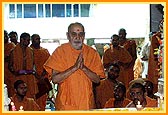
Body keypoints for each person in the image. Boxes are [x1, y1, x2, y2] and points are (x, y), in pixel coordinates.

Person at [43, 22, 106, 110]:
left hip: (86, 103)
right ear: (68, 36)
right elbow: (55, 79)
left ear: (84, 36)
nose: (77, 37)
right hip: (65, 105)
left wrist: (84, 68)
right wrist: (74, 68)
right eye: (74, 34)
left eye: (81, 34)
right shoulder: (60, 51)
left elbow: (97, 80)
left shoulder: (92, 53)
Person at [8, 32, 38, 99]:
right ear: (22, 40)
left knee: (30, 99)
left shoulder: (31, 51)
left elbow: (33, 65)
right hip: (18, 78)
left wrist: (34, 73)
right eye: (27, 40)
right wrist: (15, 72)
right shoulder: (13, 51)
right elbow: (10, 66)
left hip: (29, 79)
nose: (29, 42)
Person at [30, 34, 51, 111]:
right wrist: (37, 76)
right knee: (33, 100)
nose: (38, 41)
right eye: (36, 39)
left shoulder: (44, 51)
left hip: (43, 80)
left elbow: (49, 63)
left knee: (42, 101)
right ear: (32, 40)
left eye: (38, 39)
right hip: (33, 80)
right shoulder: (29, 51)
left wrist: (43, 74)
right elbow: (29, 66)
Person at [4, 30, 16, 97]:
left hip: (11, 74)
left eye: (6, 35)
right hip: (3, 75)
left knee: (11, 93)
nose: (5, 37)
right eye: (3, 35)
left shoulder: (11, 45)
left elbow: (12, 58)